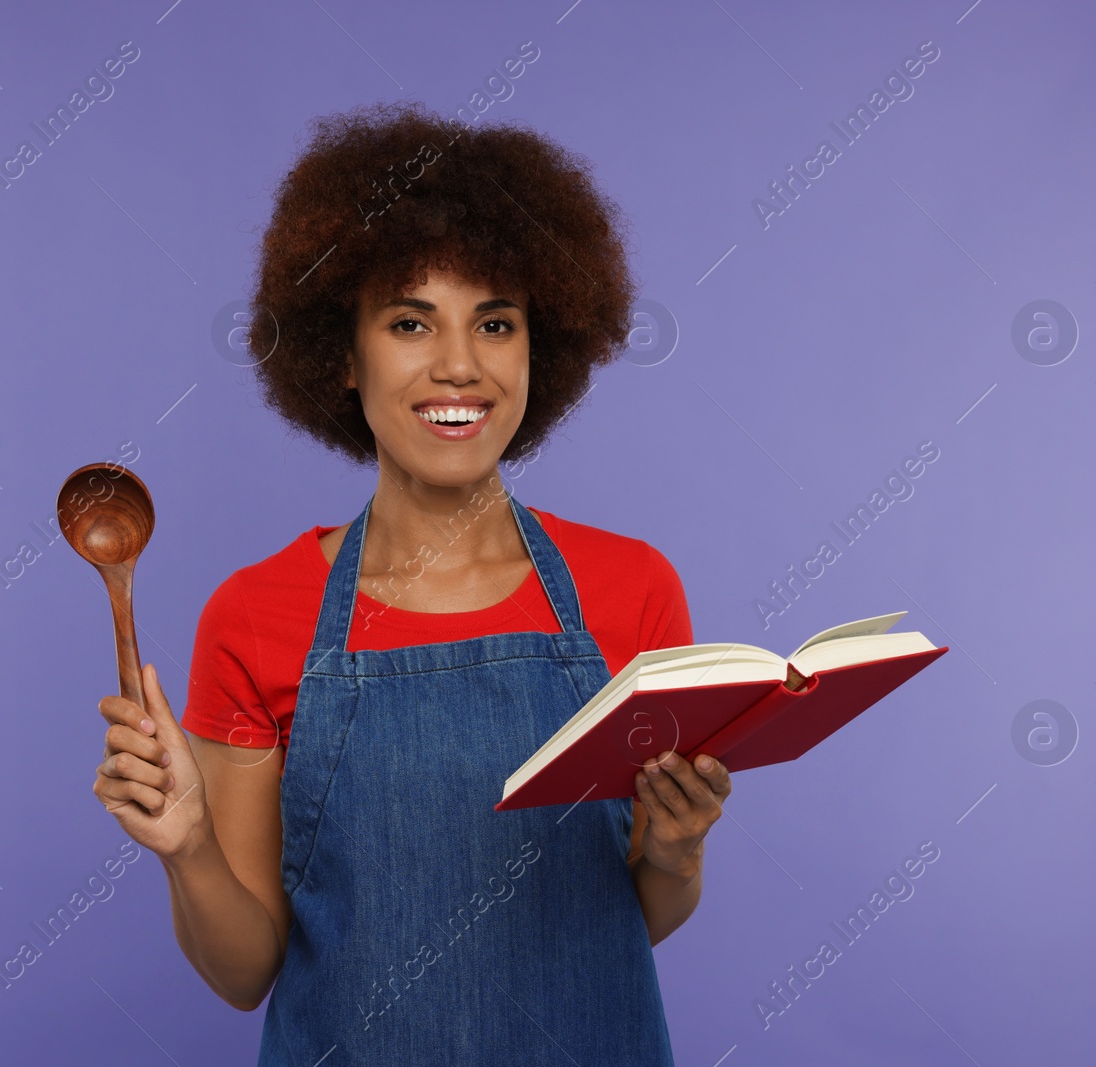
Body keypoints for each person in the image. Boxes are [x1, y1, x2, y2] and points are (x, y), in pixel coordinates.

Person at [91, 101, 731, 1065]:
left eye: (496, 322)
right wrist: (187, 847)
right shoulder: (257, 613)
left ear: (538, 347)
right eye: (409, 321)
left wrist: (677, 853)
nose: (460, 366)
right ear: (341, 356)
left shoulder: (631, 588)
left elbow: (636, 917)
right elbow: (243, 970)